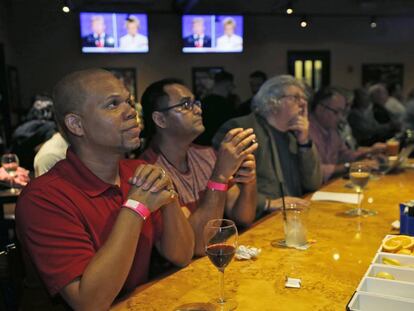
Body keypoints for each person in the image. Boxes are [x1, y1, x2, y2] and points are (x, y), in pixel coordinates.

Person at [16, 69, 194, 310]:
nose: (131, 111)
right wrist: (135, 208)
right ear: (76, 125)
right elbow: (90, 302)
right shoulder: (43, 199)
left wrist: (168, 192)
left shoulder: (137, 171)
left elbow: (181, 255)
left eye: (129, 102)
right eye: (113, 104)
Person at [139, 78, 257, 255]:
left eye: (196, 102)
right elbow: (197, 245)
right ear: (160, 119)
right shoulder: (150, 171)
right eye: (186, 104)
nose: (198, 109)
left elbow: (244, 216)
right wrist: (220, 177)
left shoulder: (206, 154)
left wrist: (249, 180)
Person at [213, 75, 322, 218]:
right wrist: (267, 203)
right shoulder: (243, 130)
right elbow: (225, 186)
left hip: (293, 216)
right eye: (295, 98)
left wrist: (304, 142)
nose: (303, 104)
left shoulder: (293, 136)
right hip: (258, 220)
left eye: (304, 98)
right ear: (272, 102)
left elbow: (313, 184)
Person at [309, 87, 381, 183]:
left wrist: (369, 153)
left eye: (342, 112)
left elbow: (344, 154)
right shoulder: (305, 132)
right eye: (336, 112)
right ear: (320, 108)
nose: (341, 118)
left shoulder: (331, 129)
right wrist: (350, 166)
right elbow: (315, 171)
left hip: (331, 185)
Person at [195, 71, 238, 146]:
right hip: (220, 148)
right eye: (232, 85)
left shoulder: (202, 103)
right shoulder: (227, 106)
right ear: (228, 84)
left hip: (199, 147)